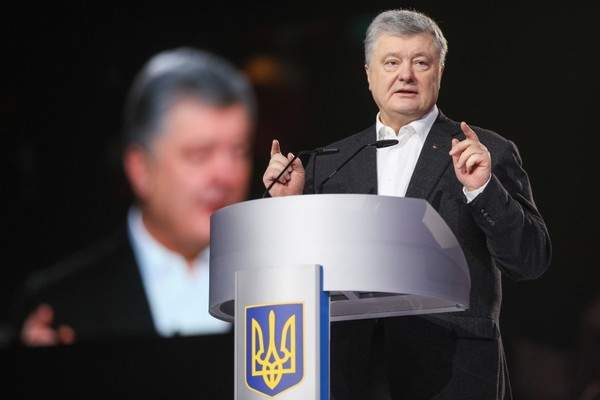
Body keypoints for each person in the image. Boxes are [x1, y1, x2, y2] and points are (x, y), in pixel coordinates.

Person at [263, 9, 551, 400]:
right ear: (368, 74)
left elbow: (530, 260)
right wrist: (287, 207)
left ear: (439, 72)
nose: (406, 75)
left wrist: (484, 188)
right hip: (354, 373)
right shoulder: (330, 162)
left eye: (421, 63)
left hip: (455, 372)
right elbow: (300, 276)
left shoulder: (484, 152)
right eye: (391, 62)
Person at [16, 47, 256, 345]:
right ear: (140, 169)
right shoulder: (59, 310)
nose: (226, 175)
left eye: (239, 152)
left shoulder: (285, 284)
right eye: (199, 155)